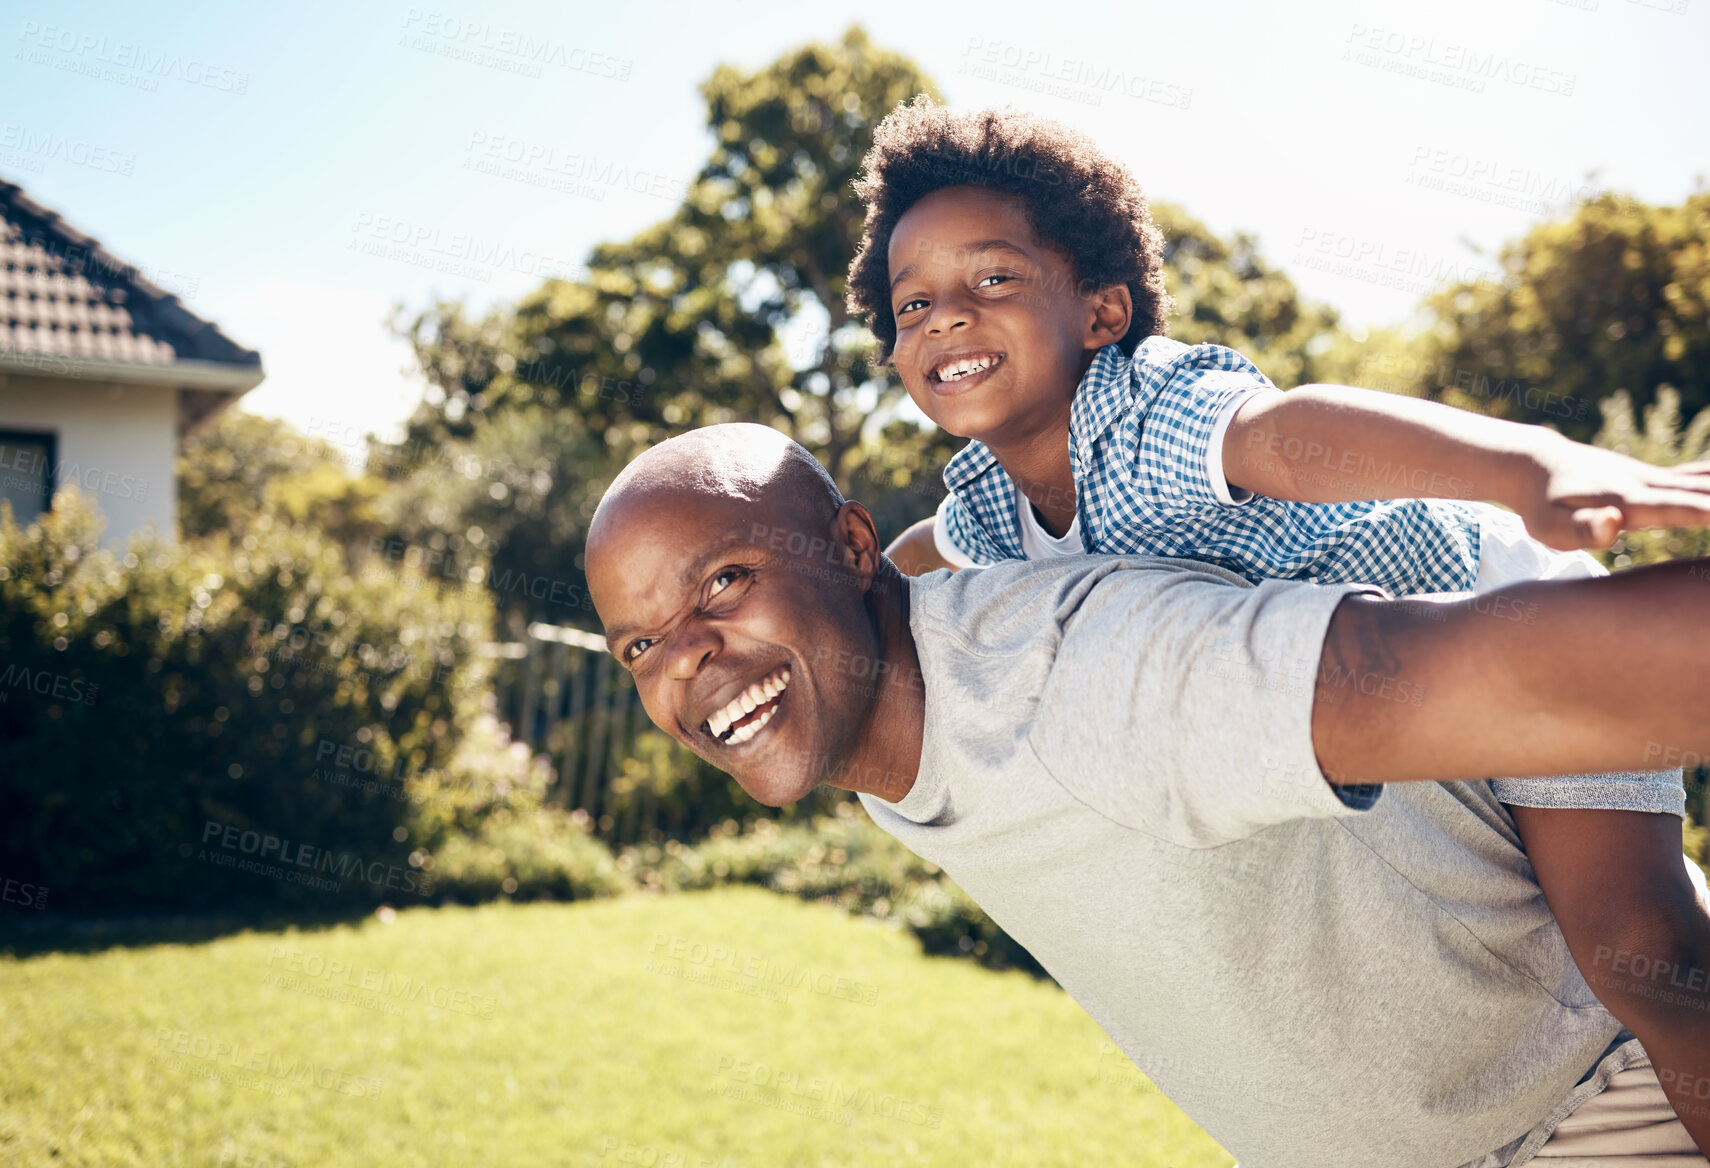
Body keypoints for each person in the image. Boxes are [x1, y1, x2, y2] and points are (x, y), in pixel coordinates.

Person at [838, 98, 1710, 1136]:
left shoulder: (1144, 412)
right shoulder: (983, 512)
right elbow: (916, 565)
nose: (946, 317)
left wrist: (1530, 469)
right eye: (914, 305)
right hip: (1401, 709)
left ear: (1104, 313)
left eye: (993, 280)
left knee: (1640, 949)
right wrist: (827, 602)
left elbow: (1287, 436)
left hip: (1496, 609)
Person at [585, 423, 1710, 1167]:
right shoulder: (872, 684)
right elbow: (931, 554)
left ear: (848, 548)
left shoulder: (1085, 676)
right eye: (639, 643)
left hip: (1601, 1106)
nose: (685, 659)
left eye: (722, 583)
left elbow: (1477, 673)